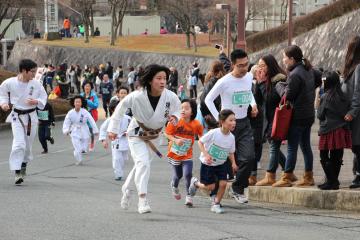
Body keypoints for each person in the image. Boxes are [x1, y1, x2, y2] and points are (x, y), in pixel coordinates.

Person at [108, 64, 181, 214]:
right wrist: (113, 129)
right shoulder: (136, 96)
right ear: (149, 80)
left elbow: (178, 109)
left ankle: (127, 189)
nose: (162, 82)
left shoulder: (170, 96)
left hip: (154, 136)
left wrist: (175, 116)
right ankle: (143, 199)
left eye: (165, 79)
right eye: (158, 78)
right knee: (143, 163)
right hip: (137, 133)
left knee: (142, 166)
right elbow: (120, 109)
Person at [205, 49, 258, 204]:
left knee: (248, 158)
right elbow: (208, 99)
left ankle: (238, 188)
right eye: (241, 65)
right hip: (227, 127)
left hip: (244, 123)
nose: (244, 68)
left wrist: (253, 105)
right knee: (220, 160)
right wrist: (219, 119)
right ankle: (213, 190)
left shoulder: (249, 77)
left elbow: (248, 93)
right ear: (233, 65)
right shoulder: (224, 81)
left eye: (246, 64)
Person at [273, 45, 322, 187]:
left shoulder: (295, 74)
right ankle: (308, 177)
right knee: (306, 146)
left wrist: (278, 85)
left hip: (297, 116)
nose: (283, 60)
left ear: (292, 59)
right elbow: (319, 79)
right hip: (308, 115)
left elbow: (287, 96)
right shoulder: (309, 70)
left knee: (291, 147)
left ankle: (287, 177)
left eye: (285, 58)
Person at [0, 59, 47, 184]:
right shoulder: (9, 83)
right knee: (19, 144)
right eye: (32, 71)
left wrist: (36, 102)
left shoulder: (36, 84)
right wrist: (4, 103)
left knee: (27, 146)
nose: (34, 74)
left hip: (31, 117)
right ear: (24, 71)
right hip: (17, 117)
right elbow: (2, 93)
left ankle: (24, 164)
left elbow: (43, 96)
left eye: (35, 71)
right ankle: (17, 172)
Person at [188, 109, 237, 214]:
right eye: (231, 120)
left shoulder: (232, 138)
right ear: (222, 122)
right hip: (208, 164)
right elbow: (200, 142)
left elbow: (231, 152)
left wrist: (233, 163)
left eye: (234, 120)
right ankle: (196, 183)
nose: (234, 123)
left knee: (223, 184)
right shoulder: (214, 133)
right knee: (210, 187)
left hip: (221, 164)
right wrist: (206, 154)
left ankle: (216, 204)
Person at [254, 55, 289, 186]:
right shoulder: (265, 80)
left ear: (270, 66)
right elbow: (257, 100)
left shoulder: (278, 80)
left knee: (274, 147)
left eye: (263, 65)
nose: (260, 68)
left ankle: (270, 175)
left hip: (277, 119)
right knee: (274, 146)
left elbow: (271, 99)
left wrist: (262, 83)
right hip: (268, 119)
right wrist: (258, 82)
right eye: (259, 65)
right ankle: (288, 170)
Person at [165, 99, 203, 206]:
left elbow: (201, 136)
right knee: (178, 175)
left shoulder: (196, 124)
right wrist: (176, 140)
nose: (183, 110)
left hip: (187, 154)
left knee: (187, 174)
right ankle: (174, 185)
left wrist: (204, 145)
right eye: (181, 108)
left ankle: (189, 196)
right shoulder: (175, 121)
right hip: (174, 153)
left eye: (186, 108)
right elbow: (167, 134)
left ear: (192, 111)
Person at [317, 71, 352, 190]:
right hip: (341, 130)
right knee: (337, 156)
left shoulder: (325, 97)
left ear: (327, 82)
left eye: (323, 81)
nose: (322, 83)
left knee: (324, 155)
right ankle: (333, 181)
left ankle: (332, 181)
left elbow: (320, 115)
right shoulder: (344, 96)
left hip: (328, 130)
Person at [341, 35, 360, 188]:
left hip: (356, 114)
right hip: (352, 113)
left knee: (358, 145)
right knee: (356, 146)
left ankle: (358, 175)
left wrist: (352, 111)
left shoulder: (358, 67)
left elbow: (358, 92)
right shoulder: (353, 67)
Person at [99, 99, 131, 181]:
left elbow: (133, 128)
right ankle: (118, 174)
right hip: (115, 141)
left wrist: (128, 132)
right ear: (113, 109)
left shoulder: (128, 118)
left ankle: (119, 170)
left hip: (125, 141)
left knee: (124, 159)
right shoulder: (110, 119)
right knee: (117, 159)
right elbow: (103, 129)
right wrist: (103, 140)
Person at [63, 95, 99, 165]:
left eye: (79, 102)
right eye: (76, 102)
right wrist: (66, 130)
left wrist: (95, 131)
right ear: (73, 103)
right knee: (77, 148)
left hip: (84, 129)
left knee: (84, 147)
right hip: (74, 130)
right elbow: (66, 122)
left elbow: (91, 121)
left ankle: (81, 151)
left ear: (81, 103)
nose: (77, 103)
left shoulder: (85, 112)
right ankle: (79, 159)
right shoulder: (70, 113)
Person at [80, 82, 99, 152]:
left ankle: (92, 143)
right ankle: (83, 147)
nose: (87, 87)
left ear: (91, 87)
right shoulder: (81, 95)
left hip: (91, 115)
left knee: (91, 130)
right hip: (82, 115)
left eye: (88, 86)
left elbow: (96, 105)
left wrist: (87, 101)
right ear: (83, 87)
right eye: (85, 86)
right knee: (82, 131)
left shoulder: (93, 96)